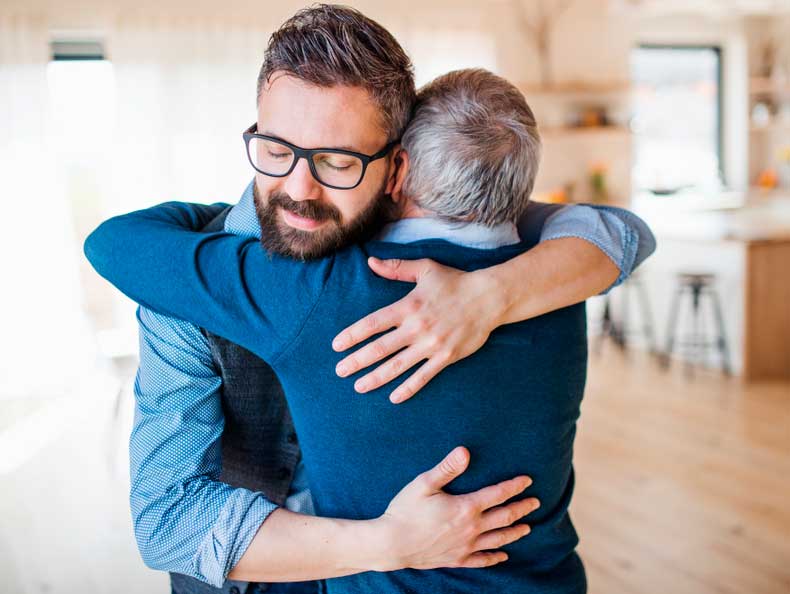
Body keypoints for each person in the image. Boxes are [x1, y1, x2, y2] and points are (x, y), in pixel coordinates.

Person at [100, 6, 654, 594]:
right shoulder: (189, 282)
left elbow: (618, 231)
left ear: (396, 169)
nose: (298, 189)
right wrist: (389, 542)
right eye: (275, 149)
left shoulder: (449, 245)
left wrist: (490, 295)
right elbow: (168, 524)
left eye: (337, 161)